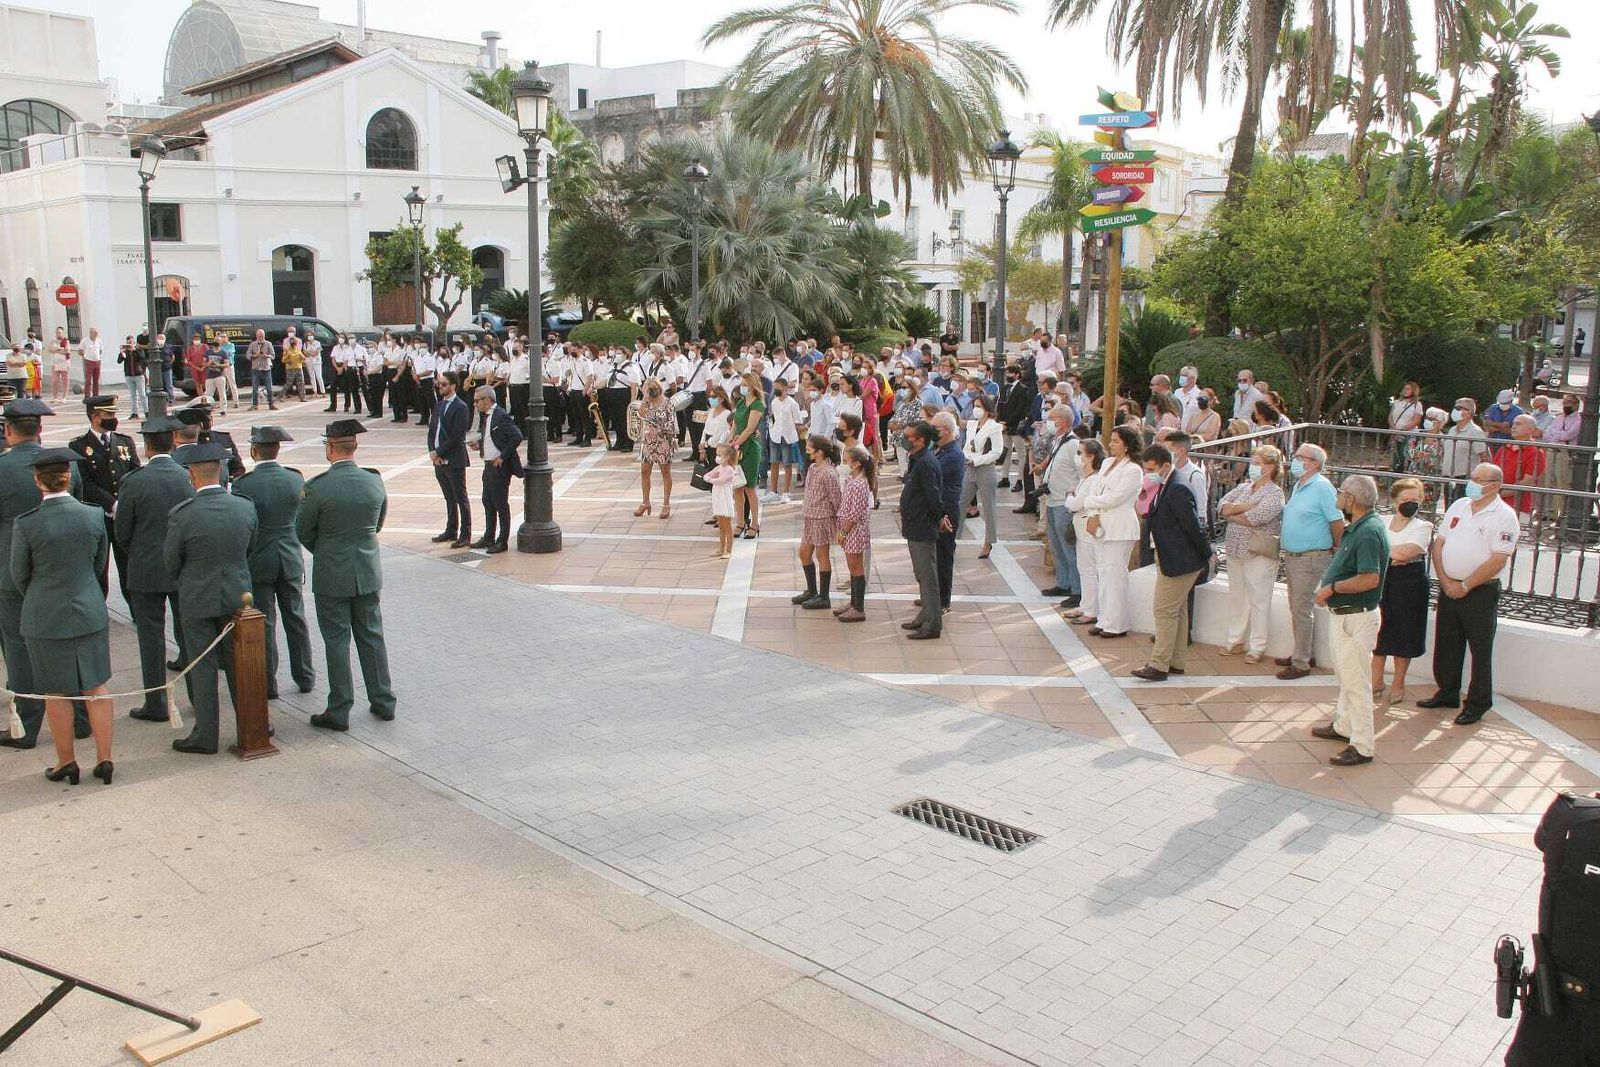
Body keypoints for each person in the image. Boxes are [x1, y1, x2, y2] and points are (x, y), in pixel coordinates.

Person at [12, 448, 117, 785]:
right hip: (87, 607)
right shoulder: (93, 514)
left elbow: (19, 574)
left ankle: (66, 762)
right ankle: (104, 758)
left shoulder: (27, 523)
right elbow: (99, 563)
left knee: (56, 693)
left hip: (45, 614)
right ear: (69, 478)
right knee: (96, 687)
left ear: (37, 482)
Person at [0, 399, 89, 751]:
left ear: (7, 431)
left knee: (20, 648)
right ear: (40, 429)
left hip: (10, 572)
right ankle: (82, 719)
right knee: (71, 645)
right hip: (65, 571)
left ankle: (27, 723)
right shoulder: (66, 464)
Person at [297, 420, 397, 730]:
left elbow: (303, 531)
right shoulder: (373, 481)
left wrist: (327, 550)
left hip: (331, 573)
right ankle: (383, 700)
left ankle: (339, 708)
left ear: (329, 448)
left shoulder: (317, 487)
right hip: (367, 569)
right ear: (355, 447)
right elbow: (377, 524)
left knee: (336, 640)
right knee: (372, 635)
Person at [164, 442, 258, 755]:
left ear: (191, 475)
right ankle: (252, 725)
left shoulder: (182, 514)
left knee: (202, 667)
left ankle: (206, 735)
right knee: (240, 665)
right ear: (219, 471)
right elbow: (250, 547)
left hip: (197, 596)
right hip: (237, 593)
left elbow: (171, 561)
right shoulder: (244, 506)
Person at [1417, 463, 1518, 725]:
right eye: (1472, 477)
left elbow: (1498, 559)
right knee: (1447, 642)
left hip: (1480, 591)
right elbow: (1439, 544)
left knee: (1479, 648)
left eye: (1478, 479)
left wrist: (1465, 585)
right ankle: (1447, 691)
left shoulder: (1504, 515)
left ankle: (1477, 702)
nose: (1471, 483)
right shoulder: (1459, 505)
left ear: (1494, 485)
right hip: (1449, 585)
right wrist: (1445, 579)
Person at [113, 415, 194, 723]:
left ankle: (156, 703)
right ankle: (199, 697)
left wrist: (138, 552)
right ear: (174, 441)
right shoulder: (186, 476)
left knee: (151, 638)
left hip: (145, 568)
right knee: (188, 635)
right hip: (183, 567)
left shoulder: (133, 481)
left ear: (146, 447)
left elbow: (122, 531)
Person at [1307, 474, 1389, 767]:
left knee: (1356, 683)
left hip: (1356, 618)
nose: (1337, 496)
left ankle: (1363, 745)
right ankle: (1344, 726)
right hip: (1344, 616)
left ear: (1351, 500)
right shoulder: (1359, 527)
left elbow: (1370, 577)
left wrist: (1333, 588)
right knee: (1346, 676)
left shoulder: (1368, 532)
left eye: (1341, 492)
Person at [231, 426, 314, 699]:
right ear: (277, 449)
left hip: (259, 559)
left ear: (255, 450)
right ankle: (305, 675)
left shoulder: (245, 484)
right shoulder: (295, 478)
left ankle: (269, 683)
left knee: (264, 622)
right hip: (289, 556)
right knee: (296, 618)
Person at [1130, 443, 1212, 681]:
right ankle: (1175, 661)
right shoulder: (1166, 484)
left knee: (1164, 611)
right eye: (1145, 469)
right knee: (1177, 611)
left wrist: (1206, 553)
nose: (1148, 473)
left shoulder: (1177, 488)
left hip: (1179, 560)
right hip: (1173, 556)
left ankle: (1159, 664)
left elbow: (1192, 525)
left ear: (1166, 465)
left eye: (1151, 468)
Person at [1275, 443, 1344, 679]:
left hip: (1311, 557)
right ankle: (1302, 652)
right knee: (1297, 607)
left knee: (1301, 608)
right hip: (1295, 557)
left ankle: (1301, 662)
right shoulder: (1300, 485)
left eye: (1299, 457)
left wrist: (1337, 547)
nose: (1294, 460)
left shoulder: (1322, 487)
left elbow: (1336, 521)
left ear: (1315, 463)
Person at [1072, 424, 1143, 638]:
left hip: (1119, 527)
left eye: (1116, 441)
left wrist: (1090, 501)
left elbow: (1116, 498)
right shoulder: (1108, 463)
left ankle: (1116, 623)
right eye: (1111, 440)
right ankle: (1104, 619)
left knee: (1114, 575)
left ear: (1127, 445)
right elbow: (1096, 489)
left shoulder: (1133, 470)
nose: (1111, 445)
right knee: (1102, 573)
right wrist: (1093, 511)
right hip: (1100, 524)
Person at [67, 395, 140, 601]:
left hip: (124, 515)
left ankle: (135, 608)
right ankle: (99, 607)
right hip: (98, 515)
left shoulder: (125, 441)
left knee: (128, 566)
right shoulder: (79, 446)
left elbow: (135, 474)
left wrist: (125, 505)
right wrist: (112, 504)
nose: (113, 418)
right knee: (99, 567)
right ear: (95, 417)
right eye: (109, 414)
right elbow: (85, 483)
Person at [1217, 445, 1285, 663]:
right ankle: (1235, 639)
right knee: (1237, 595)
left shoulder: (1275, 493)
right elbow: (1221, 507)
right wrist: (1244, 506)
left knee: (1259, 599)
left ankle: (1257, 646)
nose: (1253, 467)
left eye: (1258, 463)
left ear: (1270, 467)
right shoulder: (1245, 488)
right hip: (1235, 549)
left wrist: (1234, 512)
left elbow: (1256, 518)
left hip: (1258, 552)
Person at [1371, 477, 1432, 703]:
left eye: (1415, 499)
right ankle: (1376, 681)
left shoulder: (1423, 526)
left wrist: (1385, 551)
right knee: (1378, 630)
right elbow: (1373, 545)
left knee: (1404, 633)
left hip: (1409, 582)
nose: (1410, 503)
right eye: (1405, 499)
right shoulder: (1381, 521)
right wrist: (1392, 553)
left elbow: (1409, 552)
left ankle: (1398, 683)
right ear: (1395, 500)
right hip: (1383, 579)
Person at [899, 421, 945, 640]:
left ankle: (932, 623)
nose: (904, 439)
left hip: (922, 526)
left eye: (908, 436)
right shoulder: (916, 459)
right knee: (921, 574)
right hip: (914, 524)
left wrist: (939, 518)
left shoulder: (926, 463)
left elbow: (933, 496)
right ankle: (925, 614)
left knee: (927, 577)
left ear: (920, 440)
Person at [471, 385, 524, 552]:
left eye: (477, 400)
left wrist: (502, 456)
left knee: (500, 503)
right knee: (487, 501)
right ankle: (489, 536)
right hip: (488, 465)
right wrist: (479, 444)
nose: (475, 404)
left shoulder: (500, 415)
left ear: (487, 400)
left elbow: (516, 436)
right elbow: (491, 436)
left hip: (499, 467)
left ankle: (502, 540)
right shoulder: (486, 416)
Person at [791, 435, 842, 609]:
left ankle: (824, 596)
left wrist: (839, 523)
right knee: (804, 553)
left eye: (810, 448)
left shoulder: (829, 472)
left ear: (820, 451)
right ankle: (811, 590)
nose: (807, 450)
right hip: (809, 516)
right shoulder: (813, 468)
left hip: (822, 518)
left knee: (822, 556)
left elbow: (836, 499)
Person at [1039, 404, 1082, 605]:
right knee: (1056, 545)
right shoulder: (1059, 441)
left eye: (1052, 418)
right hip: (1052, 499)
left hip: (1064, 503)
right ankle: (1063, 582)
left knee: (1068, 547)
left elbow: (1082, 472)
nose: (1049, 421)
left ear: (1063, 421)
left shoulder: (1073, 444)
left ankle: (1077, 588)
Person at [429, 372, 472, 548]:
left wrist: (439, 452)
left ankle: (465, 533)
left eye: (444, 385)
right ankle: (451, 529)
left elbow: (457, 436)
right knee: (448, 497)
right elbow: (432, 430)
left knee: (460, 497)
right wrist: (432, 451)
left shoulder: (460, 407)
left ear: (453, 386)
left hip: (454, 458)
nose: (441, 387)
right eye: (439, 385)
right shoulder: (439, 405)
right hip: (438, 459)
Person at [960, 393, 1004, 559]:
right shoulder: (972, 425)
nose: (976, 409)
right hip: (969, 467)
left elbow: (997, 452)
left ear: (987, 409)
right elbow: (967, 445)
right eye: (975, 406)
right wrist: (966, 458)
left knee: (988, 506)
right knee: (961, 503)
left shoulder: (994, 427)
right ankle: (953, 538)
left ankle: (989, 542)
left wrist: (977, 461)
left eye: (979, 406)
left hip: (985, 469)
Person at [834, 446, 874, 622]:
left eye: (846, 461)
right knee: (852, 567)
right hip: (850, 529)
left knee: (856, 567)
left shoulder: (859, 484)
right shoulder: (853, 480)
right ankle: (853, 603)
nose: (844, 463)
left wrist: (843, 531)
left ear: (857, 464)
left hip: (854, 530)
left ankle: (859, 608)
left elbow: (855, 513)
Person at [931, 413, 965, 610]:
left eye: (936, 428)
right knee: (935, 556)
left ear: (947, 430)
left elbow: (932, 474)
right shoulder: (941, 450)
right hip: (939, 508)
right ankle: (934, 594)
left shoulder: (952, 454)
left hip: (947, 511)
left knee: (944, 556)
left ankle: (943, 601)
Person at [634, 379, 676, 520]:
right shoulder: (648, 402)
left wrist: (661, 429)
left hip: (663, 441)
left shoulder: (667, 403)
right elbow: (641, 415)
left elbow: (672, 425)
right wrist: (644, 402)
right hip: (648, 441)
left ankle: (666, 505)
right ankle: (645, 502)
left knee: (665, 472)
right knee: (645, 471)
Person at [731, 371, 766, 539]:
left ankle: (754, 524)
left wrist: (737, 443)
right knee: (737, 487)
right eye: (741, 384)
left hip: (749, 448)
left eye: (745, 385)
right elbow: (735, 424)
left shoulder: (758, 405)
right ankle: (740, 522)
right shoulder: (740, 403)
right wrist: (730, 440)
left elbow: (750, 429)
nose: (743, 387)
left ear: (753, 386)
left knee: (749, 488)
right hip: (736, 447)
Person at [1493, 414, 1547, 516]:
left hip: (1518, 508)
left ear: (1530, 430)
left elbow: (1526, 483)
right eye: (1513, 424)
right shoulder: (1505, 447)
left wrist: (1496, 493)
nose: (1513, 427)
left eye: (1518, 424)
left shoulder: (1536, 452)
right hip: (1495, 503)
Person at [1441, 398, 1491, 500]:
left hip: (1464, 478)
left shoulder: (1476, 432)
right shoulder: (1452, 430)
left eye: (1459, 408)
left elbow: (1485, 458)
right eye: (1455, 408)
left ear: (1469, 413)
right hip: (1448, 477)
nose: (1455, 411)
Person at [766, 379, 805, 504]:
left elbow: (798, 421)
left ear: (785, 388)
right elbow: (773, 417)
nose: (775, 390)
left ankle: (786, 492)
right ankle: (773, 491)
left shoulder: (792, 403)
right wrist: (772, 429)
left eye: (778, 387)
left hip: (787, 436)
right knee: (774, 462)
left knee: (787, 464)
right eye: (774, 387)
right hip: (775, 435)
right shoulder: (774, 402)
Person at [1543, 395, 1582, 519]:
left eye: (1569, 402)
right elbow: (1546, 435)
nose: (1566, 405)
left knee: (1561, 483)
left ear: (1576, 404)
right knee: (1548, 481)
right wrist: (1558, 435)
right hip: (1551, 451)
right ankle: (1548, 512)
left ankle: (1559, 514)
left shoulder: (1579, 420)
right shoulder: (1558, 418)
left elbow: (1569, 435)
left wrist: (1557, 434)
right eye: (1564, 402)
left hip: (1564, 453)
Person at [704, 444, 739, 557]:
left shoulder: (729, 469)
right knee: (721, 526)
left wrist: (710, 479)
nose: (717, 457)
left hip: (725, 499)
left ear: (727, 457)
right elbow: (709, 474)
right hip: (718, 498)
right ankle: (721, 549)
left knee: (727, 526)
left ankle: (729, 550)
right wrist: (708, 477)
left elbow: (721, 480)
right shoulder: (719, 467)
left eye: (720, 455)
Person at [246, 329, 277, 410]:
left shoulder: (268, 344)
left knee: (269, 388)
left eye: (262, 336)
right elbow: (247, 356)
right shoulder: (253, 344)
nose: (260, 337)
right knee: (254, 388)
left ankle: (271, 404)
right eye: (259, 336)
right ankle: (255, 405)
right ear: (256, 336)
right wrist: (254, 355)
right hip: (256, 369)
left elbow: (273, 356)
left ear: (264, 336)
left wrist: (267, 356)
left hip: (266, 368)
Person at [118, 336, 147, 419]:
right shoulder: (125, 352)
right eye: (128, 343)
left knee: (142, 394)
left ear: (134, 343)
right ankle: (134, 413)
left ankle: (146, 411)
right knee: (133, 395)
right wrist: (122, 352)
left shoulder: (138, 350)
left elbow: (142, 357)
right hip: (129, 376)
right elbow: (119, 361)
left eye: (131, 342)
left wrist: (134, 350)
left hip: (138, 375)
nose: (129, 344)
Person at [79, 327, 104, 397]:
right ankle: (87, 395)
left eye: (97, 333)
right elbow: (80, 351)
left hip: (97, 362)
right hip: (88, 362)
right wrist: (86, 356)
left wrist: (97, 357)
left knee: (96, 380)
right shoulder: (85, 341)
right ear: (91, 333)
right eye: (95, 333)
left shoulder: (99, 341)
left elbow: (101, 351)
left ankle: (95, 395)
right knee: (88, 380)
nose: (96, 334)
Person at [282, 336, 308, 402]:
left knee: (301, 383)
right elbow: (283, 359)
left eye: (294, 342)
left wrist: (303, 358)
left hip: (299, 368)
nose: (293, 343)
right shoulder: (287, 350)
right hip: (290, 369)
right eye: (292, 342)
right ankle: (281, 395)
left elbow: (303, 358)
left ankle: (302, 397)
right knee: (289, 383)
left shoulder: (298, 350)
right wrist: (288, 361)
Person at [48, 337, 71, 401]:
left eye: (60, 332)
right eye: (57, 332)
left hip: (64, 362)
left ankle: (64, 397)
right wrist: (60, 349)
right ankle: (55, 397)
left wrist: (56, 350)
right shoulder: (52, 341)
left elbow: (67, 351)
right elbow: (50, 350)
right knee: (55, 380)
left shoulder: (66, 341)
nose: (58, 334)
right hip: (55, 363)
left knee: (65, 380)